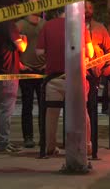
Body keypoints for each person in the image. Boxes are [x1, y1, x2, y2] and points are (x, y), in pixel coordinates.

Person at [36, 10, 92, 156]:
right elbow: (90, 53)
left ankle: (49, 146)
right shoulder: (80, 26)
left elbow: (39, 52)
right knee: (82, 111)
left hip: (53, 78)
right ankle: (86, 145)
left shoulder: (47, 26)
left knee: (51, 113)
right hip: (76, 78)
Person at [0, 0, 27, 153]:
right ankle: (3, 143)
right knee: (7, 109)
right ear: (11, 6)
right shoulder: (9, 24)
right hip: (9, 72)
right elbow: (21, 47)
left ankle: (3, 141)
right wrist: (24, 39)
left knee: (1, 109)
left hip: (1, 69)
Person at [16, 0, 46, 148]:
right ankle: (28, 137)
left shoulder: (45, 25)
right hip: (26, 70)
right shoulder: (20, 25)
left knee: (44, 106)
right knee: (27, 105)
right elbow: (12, 46)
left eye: (38, 4)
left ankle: (44, 136)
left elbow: (51, 46)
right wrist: (20, 65)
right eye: (32, 4)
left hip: (42, 71)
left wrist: (47, 64)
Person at [85, 1, 110, 114]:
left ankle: (92, 130)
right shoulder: (72, 27)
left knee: (92, 105)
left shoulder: (100, 28)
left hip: (95, 74)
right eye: (84, 7)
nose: (87, 10)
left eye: (90, 7)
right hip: (77, 73)